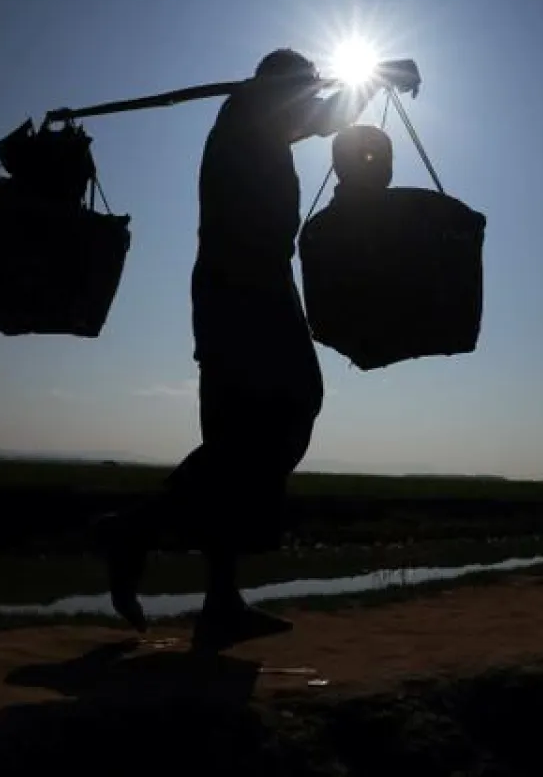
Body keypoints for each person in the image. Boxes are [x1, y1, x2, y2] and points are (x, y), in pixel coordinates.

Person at [90, 49, 420, 652]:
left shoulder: (256, 121)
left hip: (241, 286)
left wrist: (362, 86)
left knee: (237, 436)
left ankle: (217, 602)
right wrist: (375, 76)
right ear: (280, 84)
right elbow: (322, 117)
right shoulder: (247, 111)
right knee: (289, 408)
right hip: (245, 287)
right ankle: (140, 530)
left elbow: (316, 118)